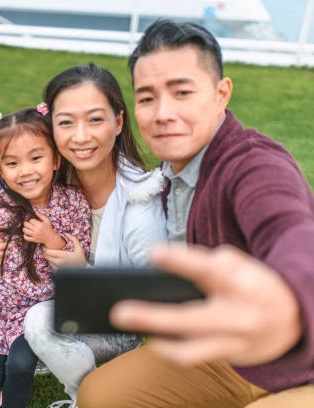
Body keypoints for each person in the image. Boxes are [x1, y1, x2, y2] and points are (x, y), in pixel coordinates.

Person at [77, 20, 314, 407]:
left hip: (298, 361)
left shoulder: (253, 164)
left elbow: (293, 233)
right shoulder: (172, 172)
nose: (163, 113)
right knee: (97, 395)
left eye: (182, 92)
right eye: (147, 97)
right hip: (220, 352)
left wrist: (290, 303)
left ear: (222, 94)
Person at [0, 64, 167, 408]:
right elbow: (8, 142)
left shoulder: (141, 203)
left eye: (95, 120)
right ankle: (48, 353)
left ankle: (89, 397)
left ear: (119, 122)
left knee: (39, 322)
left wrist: (80, 270)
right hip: (34, 298)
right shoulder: (50, 171)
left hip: (111, 319)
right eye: (66, 122)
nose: (80, 136)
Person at [0, 107, 92, 408]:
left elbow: (76, 259)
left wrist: (51, 239)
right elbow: (3, 263)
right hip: (2, 301)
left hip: (44, 303)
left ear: (56, 158)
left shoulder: (74, 203)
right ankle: (8, 376)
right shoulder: (2, 206)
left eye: (36, 158)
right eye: (12, 163)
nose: (26, 171)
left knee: (19, 364)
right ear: (0, 168)